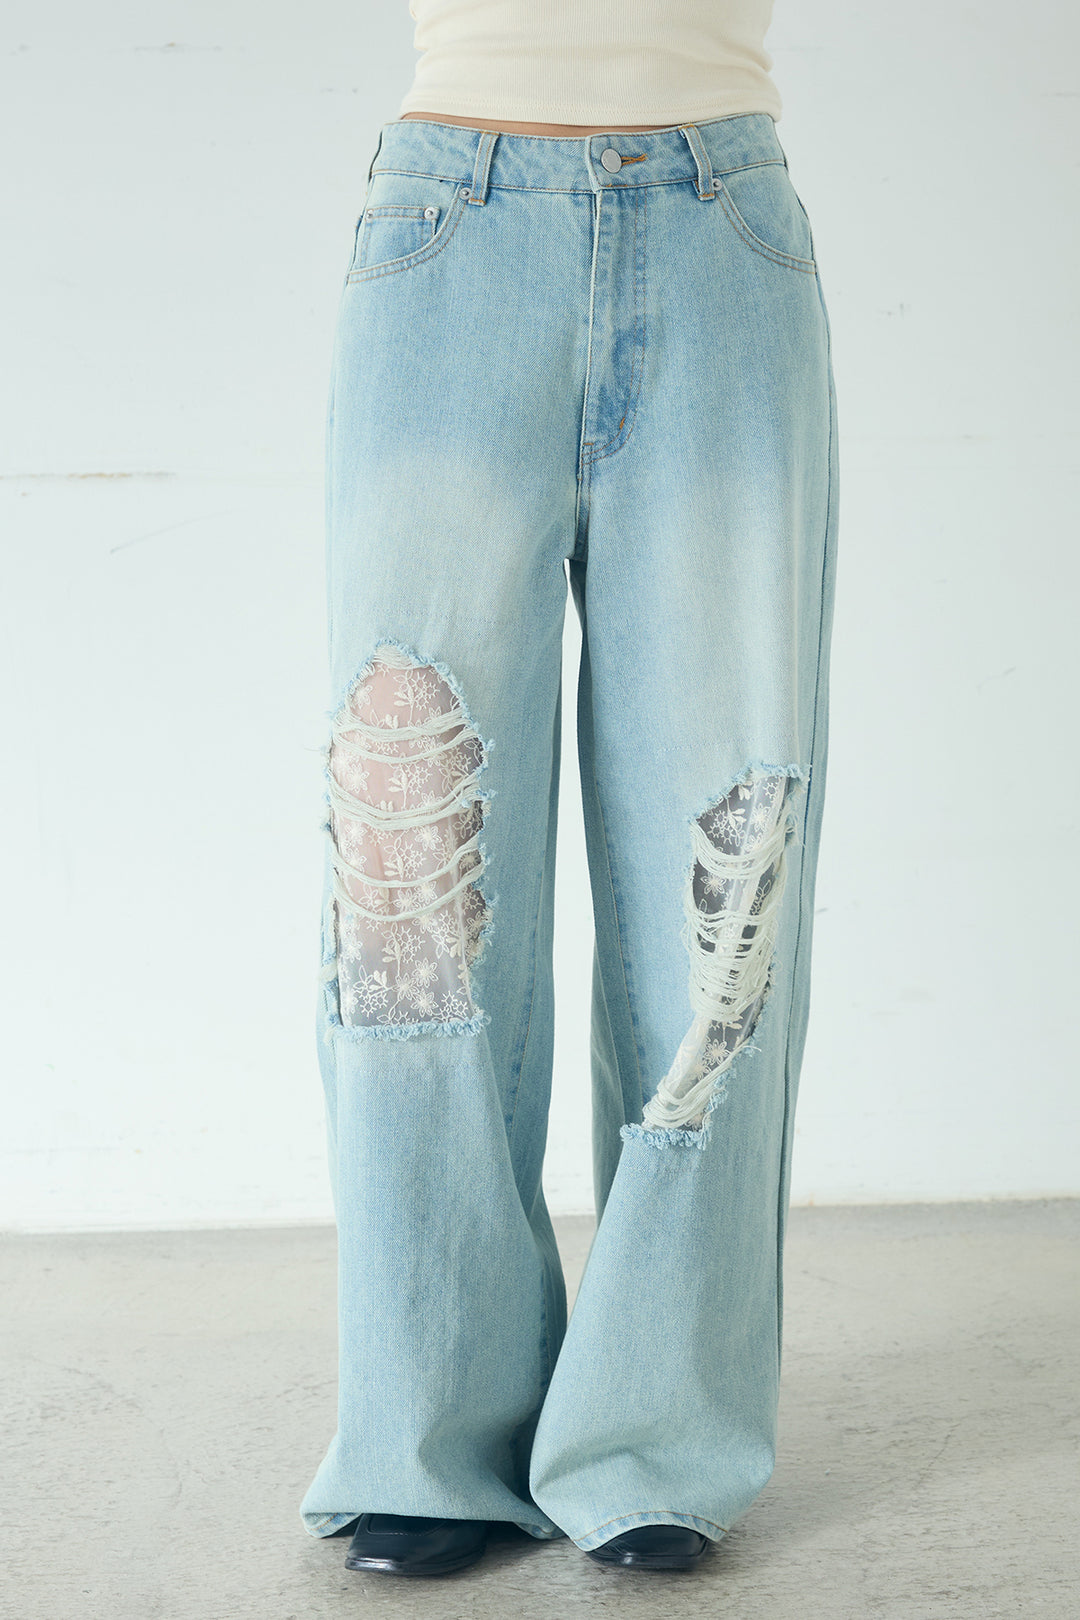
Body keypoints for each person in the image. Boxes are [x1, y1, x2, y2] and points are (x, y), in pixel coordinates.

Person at [299, 0, 839, 1578]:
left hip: (722, 233)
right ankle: (426, 1425)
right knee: (408, 876)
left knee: (727, 863)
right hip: (447, 238)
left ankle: (658, 1430)